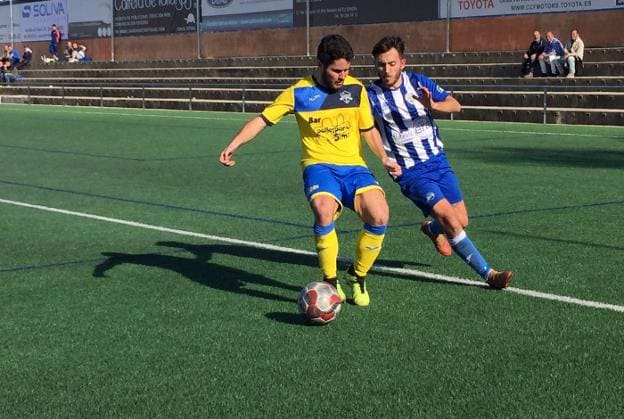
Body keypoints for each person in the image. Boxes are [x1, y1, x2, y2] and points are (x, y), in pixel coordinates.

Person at [218, 34, 401, 306]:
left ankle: (357, 276)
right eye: (337, 70)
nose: (342, 76)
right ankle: (330, 281)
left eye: (347, 70)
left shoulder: (356, 90)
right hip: (319, 167)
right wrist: (233, 144)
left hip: (353, 168)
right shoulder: (298, 92)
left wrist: (384, 157)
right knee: (323, 209)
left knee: (379, 214)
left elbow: (368, 130)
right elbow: (262, 120)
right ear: (320, 64)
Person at [367, 35, 514, 289]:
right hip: (410, 171)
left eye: (391, 64)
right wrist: (383, 158)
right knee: (450, 217)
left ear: (403, 62)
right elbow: (366, 129)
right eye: (381, 65)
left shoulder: (418, 82)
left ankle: (433, 229)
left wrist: (433, 104)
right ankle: (489, 274)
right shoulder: (371, 95)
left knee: (461, 220)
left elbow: (455, 105)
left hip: (438, 161)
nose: (386, 70)